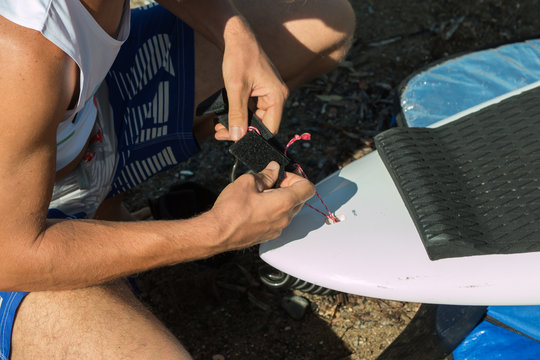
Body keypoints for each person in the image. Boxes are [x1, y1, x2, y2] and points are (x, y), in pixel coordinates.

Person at [0, 0, 355, 358]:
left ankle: (106, 213)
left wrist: (233, 33)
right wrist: (215, 232)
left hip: (80, 123)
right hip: (11, 242)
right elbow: (11, 257)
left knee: (323, 24)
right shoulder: (22, 47)